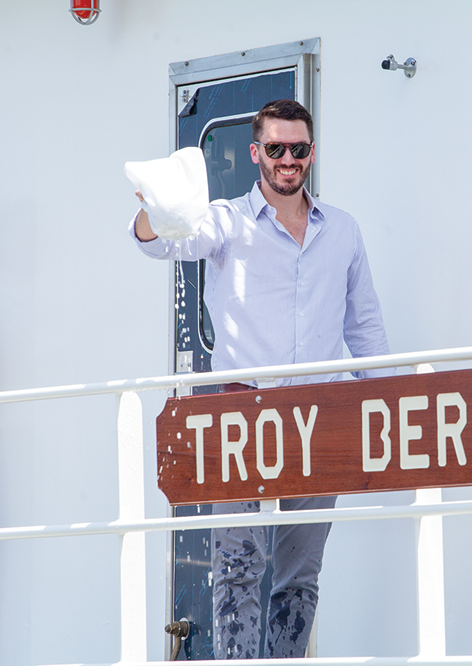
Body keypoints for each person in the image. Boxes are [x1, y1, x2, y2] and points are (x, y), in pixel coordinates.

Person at [129, 99, 393, 658]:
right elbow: (162, 244)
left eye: (298, 149)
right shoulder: (225, 220)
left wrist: (386, 403)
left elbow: (363, 324)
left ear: (312, 153)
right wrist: (154, 209)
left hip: (319, 417)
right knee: (238, 569)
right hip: (239, 416)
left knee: (300, 575)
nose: (288, 160)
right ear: (256, 154)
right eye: (276, 149)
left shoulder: (343, 230)